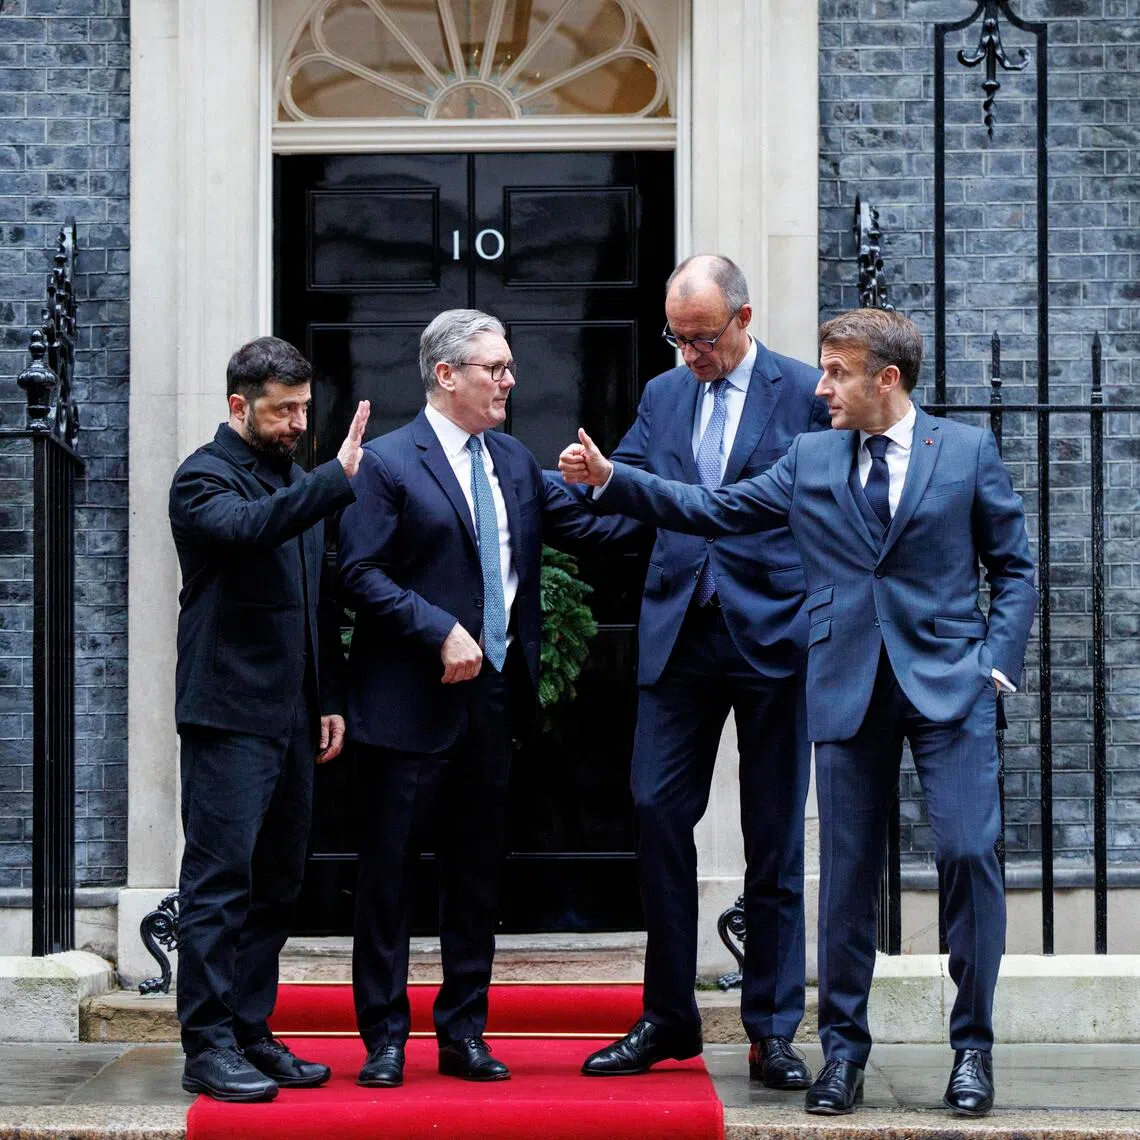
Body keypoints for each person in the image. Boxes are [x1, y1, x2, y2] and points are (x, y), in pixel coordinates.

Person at [560, 307, 1037, 1118]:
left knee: (968, 853)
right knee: (846, 879)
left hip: (950, 687)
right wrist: (615, 481)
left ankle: (972, 1049)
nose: (820, 389)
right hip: (846, 680)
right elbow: (718, 509)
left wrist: (994, 660)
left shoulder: (963, 451)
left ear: (885, 379)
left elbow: (1014, 567)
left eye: (836, 373)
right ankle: (844, 1053)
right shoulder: (811, 457)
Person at [338, 308, 642, 1090]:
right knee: (390, 877)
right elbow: (359, 573)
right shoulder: (388, 463)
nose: (510, 380)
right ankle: (384, 1039)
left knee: (477, 874)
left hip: (491, 707)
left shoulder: (510, 460)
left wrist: (629, 490)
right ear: (446, 375)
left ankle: (463, 1032)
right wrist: (436, 629)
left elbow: (588, 530)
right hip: (408, 703)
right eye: (494, 368)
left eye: (508, 367)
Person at [571, 255, 830, 1087]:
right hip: (678, 630)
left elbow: (813, 507)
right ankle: (667, 1018)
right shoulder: (663, 394)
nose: (691, 355)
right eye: (678, 339)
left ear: (744, 320)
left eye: (704, 338)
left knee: (773, 837)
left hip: (774, 633)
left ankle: (772, 1029)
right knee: (653, 813)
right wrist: (536, 496)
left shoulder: (806, 392)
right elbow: (627, 491)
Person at [169, 336, 369, 1102]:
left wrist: (329, 699)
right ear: (238, 406)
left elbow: (318, 602)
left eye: (303, 410)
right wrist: (331, 480)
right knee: (220, 884)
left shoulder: (295, 481)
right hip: (227, 714)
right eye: (282, 411)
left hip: (291, 717)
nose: (295, 424)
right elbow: (250, 532)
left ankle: (250, 1031)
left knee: (278, 884)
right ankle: (207, 1044)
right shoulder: (204, 478)